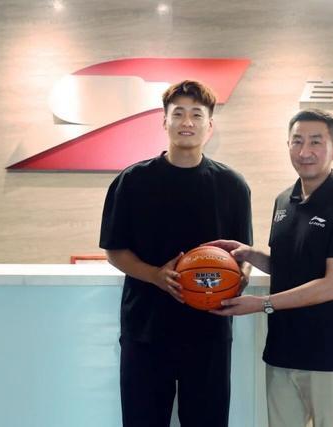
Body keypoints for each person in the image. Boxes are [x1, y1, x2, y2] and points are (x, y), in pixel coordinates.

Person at [99, 80, 252, 427]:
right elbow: (115, 249)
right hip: (146, 328)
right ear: (164, 121)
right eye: (178, 113)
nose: (187, 122)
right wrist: (155, 275)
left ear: (209, 126)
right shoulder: (132, 181)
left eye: (196, 114)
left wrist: (236, 280)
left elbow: (241, 255)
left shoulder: (232, 186)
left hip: (209, 331)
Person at [207, 109, 333, 427]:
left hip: (330, 356)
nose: (305, 151)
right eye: (297, 141)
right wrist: (250, 254)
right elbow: (289, 267)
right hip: (282, 351)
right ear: (288, 145)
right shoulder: (284, 201)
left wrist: (262, 304)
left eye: (316, 142)